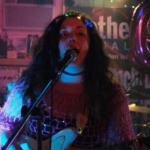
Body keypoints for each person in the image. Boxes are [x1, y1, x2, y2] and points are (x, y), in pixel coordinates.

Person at [0, 11, 148, 150]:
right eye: (64, 34)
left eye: (81, 33)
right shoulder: (30, 85)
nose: (72, 38)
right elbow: (3, 129)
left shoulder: (111, 95)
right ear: (54, 44)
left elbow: (123, 142)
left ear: (91, 46)